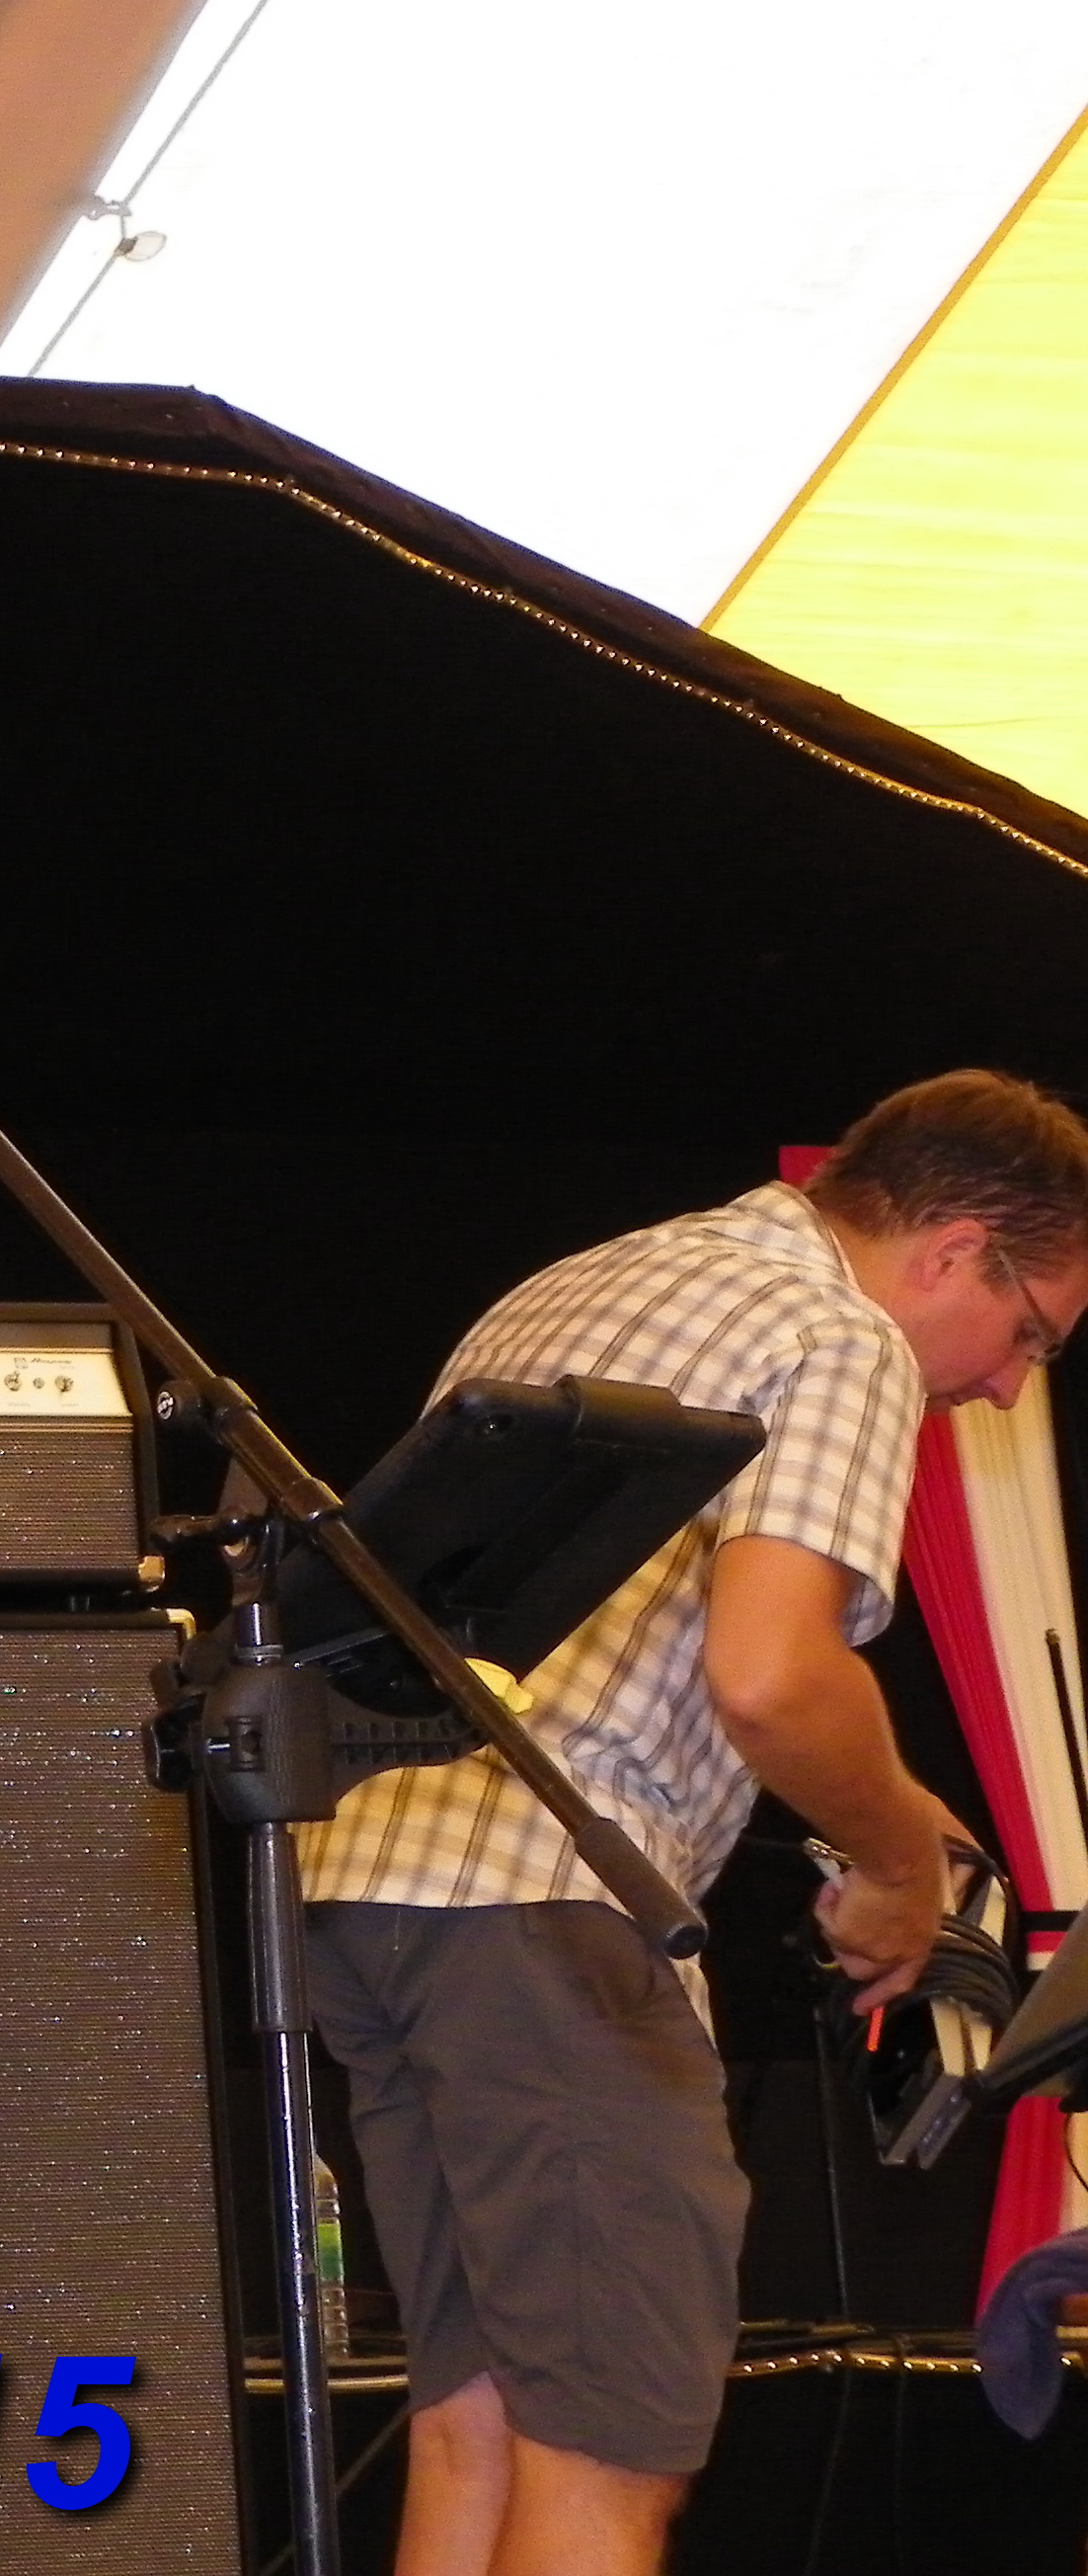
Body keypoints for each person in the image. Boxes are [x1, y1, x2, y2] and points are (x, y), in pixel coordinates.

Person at [303, 1072, 1088, 2576]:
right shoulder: (836, 1332)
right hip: (545, 1913)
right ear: (954, 1251)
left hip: (373, 1883)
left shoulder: (586, 1281)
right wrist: (901, 1869)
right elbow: (773, 1676)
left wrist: (901, 1811)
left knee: (477, 2429)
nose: (1007, 1388)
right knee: (611, 2461)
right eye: (1031, 1334)